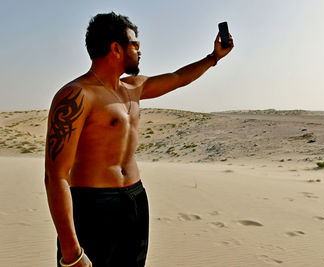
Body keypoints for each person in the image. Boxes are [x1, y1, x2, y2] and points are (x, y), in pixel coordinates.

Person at [44, 12, 233, 267]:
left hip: (134, 200)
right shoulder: (76, 95)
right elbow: (56, 176)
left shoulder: (134, 88)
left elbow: (178, 78)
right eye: (135, 45)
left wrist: (213, 58)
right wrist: (71, 252)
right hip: (93, 206)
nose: (140, 52)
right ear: (116, 48)